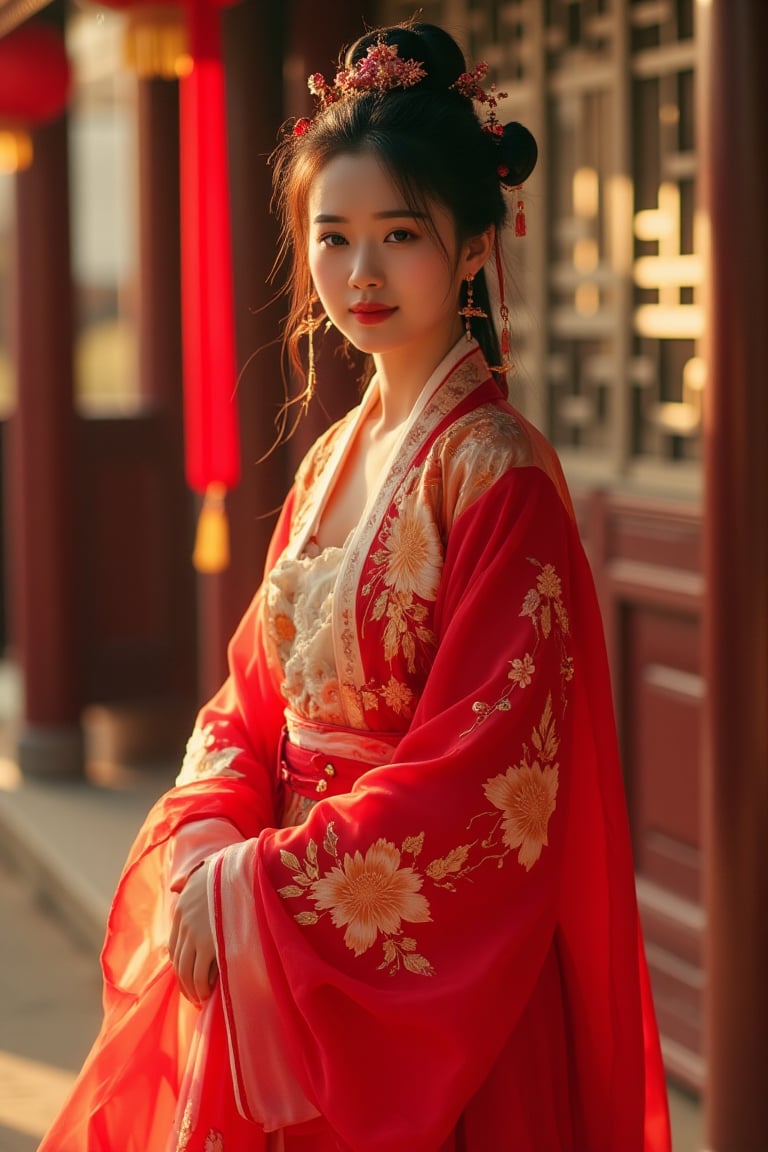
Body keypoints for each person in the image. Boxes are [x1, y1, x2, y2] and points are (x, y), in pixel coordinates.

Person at [41, 20, 672, 1152]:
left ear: (477, 244)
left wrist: (260, 890)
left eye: (402, 234)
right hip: (284, 944)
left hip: (419, 985)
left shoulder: (500, 476)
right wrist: (204, 844)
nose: (362, 273)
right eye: (333, 237)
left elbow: (484, 783)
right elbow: (248, 700)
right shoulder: (332, 459)